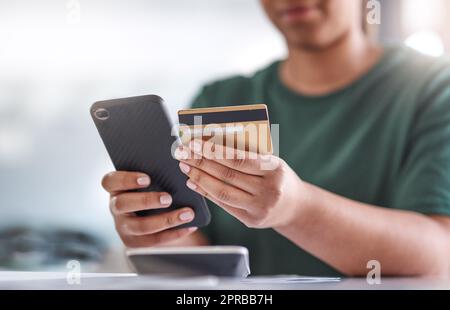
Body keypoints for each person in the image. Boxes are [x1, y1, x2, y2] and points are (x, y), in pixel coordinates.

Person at [101, 0, 450, 277]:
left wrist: (297, 210)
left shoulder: (433, 89)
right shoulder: (221, 99)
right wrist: (155, 236)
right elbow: (201, 250)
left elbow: (440, 254)